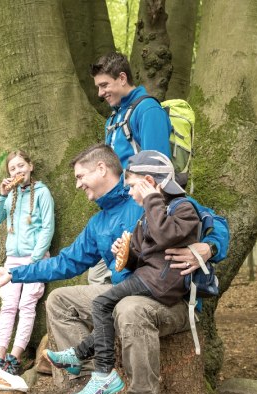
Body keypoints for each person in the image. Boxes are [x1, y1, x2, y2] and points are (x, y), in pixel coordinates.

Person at [0, 144, 229, 394]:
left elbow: (215, 222)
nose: (77, 183)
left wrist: (209, 248)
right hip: (126, 291)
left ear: (101, 169)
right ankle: (94, 384)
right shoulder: (98, 222)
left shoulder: (147, 193)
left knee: (129, 308)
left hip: (171, 300)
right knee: (60, 300)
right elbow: (66, 262)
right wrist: (15, 274)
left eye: (80, 175)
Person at [45, 150, 200, 394]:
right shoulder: (147, 215)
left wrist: (151, 199)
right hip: (149, 279)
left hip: (162, 286)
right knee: (104, 304)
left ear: (148, 182)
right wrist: (125, 254)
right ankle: (86, 365)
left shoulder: (181, 207)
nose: (128, 193)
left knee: (105, 304)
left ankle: (102, 373)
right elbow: (143, 255)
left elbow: (165, 236)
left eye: (132, 187)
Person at [88, 51, 173, 285]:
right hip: (113, 213)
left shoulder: (147, 111)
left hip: (137, 209)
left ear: (122, 78)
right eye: (98, 87)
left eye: (104, 85)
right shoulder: (112, 121)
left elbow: (158, 170)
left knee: (122, 278)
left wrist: (146, 216)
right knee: (98, 278)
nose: (100, 93)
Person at [0, 150, 55, 374]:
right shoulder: (10, 196)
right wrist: (2, 194)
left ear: (30, 166)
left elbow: (47, 227)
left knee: (27, 306)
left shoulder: (42, 193)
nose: (17, 171)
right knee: (8, 305)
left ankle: (14, 356)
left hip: (35, 259)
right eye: (12, 169)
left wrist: (36, 259)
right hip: (12, 259)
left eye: (20, 166)